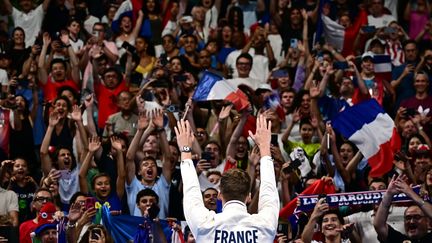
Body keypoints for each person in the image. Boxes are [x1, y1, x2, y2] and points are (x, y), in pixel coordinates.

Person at [175, 114, 279, 242]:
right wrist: (264, 148)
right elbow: (269, 191)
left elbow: (191, 191)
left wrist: (185, 149)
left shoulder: (205, 224)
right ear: (249, 197)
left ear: (219, 195)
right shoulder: (265, 225)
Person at [374, 174, 432, 242]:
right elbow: (379, 226)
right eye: (408, 218)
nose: (411, 221)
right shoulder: (400, 240)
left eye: (417, 217)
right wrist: (389, 194)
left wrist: (411, 193)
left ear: (428, 223)